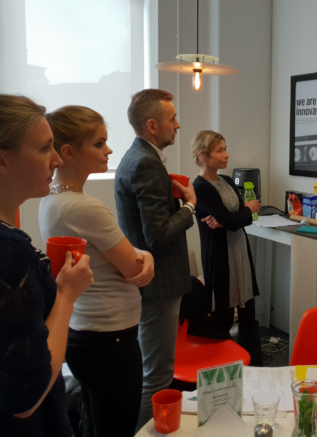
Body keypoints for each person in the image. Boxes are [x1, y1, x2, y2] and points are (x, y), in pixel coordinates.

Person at [39, 106, 155, 436]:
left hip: (85, 332)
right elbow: (132, 266)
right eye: (99, 143)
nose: (109, 150)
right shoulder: (85, 207)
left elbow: (114, 252)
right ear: (69, 152)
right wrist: (145, 256)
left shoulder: (53, 200)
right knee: (115, 427)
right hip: (110, 339)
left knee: (94, 421)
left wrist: (138, 253)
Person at [0, 95, 93, 436]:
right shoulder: (8, 251)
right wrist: (68, 294)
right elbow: (26, 396)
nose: (55, 159)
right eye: (43, 149)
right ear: (2, 160)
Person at [115, 89, 195, 431]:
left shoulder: (136, 157)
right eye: (172, 119)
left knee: (154, 369)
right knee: (158, 375)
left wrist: (170, 198)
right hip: (159, 285)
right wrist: (189, 206)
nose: (178, 125)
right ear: (152, 125)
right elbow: (157, 236)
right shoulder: (147, 163)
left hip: (152, 283)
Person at [191, 130, 264, 366]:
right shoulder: (199, 187)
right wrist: (246, 210)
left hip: (240, 251)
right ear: (202, 156)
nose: (226, 155)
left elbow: (235, 220)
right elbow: (237, 218)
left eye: (225, 149)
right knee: (223, 316)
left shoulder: (228, 180)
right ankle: (222, 370)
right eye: (219, 150)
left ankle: (253, 367)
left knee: (248, 314)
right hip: (219, 256)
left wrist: (230, 218)